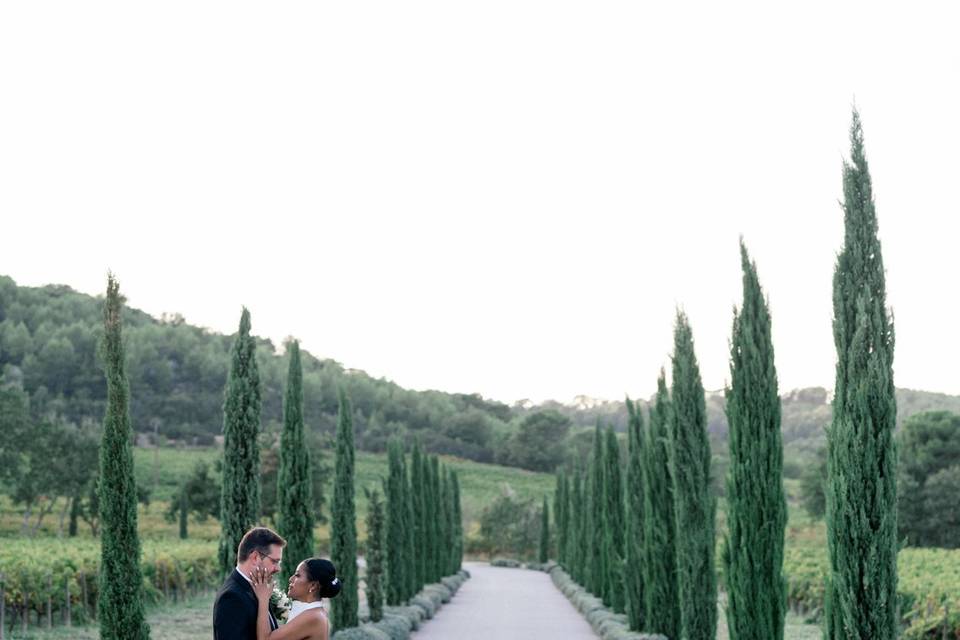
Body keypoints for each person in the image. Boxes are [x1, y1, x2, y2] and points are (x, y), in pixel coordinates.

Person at [213, 527, 287, 640]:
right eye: (274, 561)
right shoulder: (232, 598)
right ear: (255, 557)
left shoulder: (260, 588)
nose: (278, 569)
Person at [250, 557, 341, 640]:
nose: (291, 579)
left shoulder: (314, 617)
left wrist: (263, 599)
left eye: (297, 575)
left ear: (313, 585)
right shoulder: (311, 611)